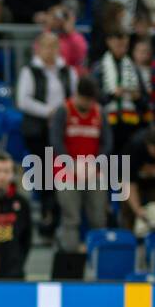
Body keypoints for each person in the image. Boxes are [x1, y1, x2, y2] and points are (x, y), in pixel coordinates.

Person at [17, 31, 78, 240]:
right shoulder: (30, 71)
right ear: (38, 48)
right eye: (47, 46)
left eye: (54, 46)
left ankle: (63, 218)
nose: (51, 51)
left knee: (63, 175)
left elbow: (75, 96)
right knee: (45, 176)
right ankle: (47, 216)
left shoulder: (67, 71)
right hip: (38, 131)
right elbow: (23, 101)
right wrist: (49, 112)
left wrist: (64, 113)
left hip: (63, 131)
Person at [49, 76, 113, 254]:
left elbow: (107, 143)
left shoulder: (99, 112)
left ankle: (99, 256)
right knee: (71, 218)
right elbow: (55, 141)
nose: (87, 103)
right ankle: (70, 256)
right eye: (84, 99)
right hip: (66, 172)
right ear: (76, 94)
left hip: (94, 171)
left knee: (99, 218)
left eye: (91, 100)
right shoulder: (64, 110)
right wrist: (71, 163)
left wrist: (96, 162)